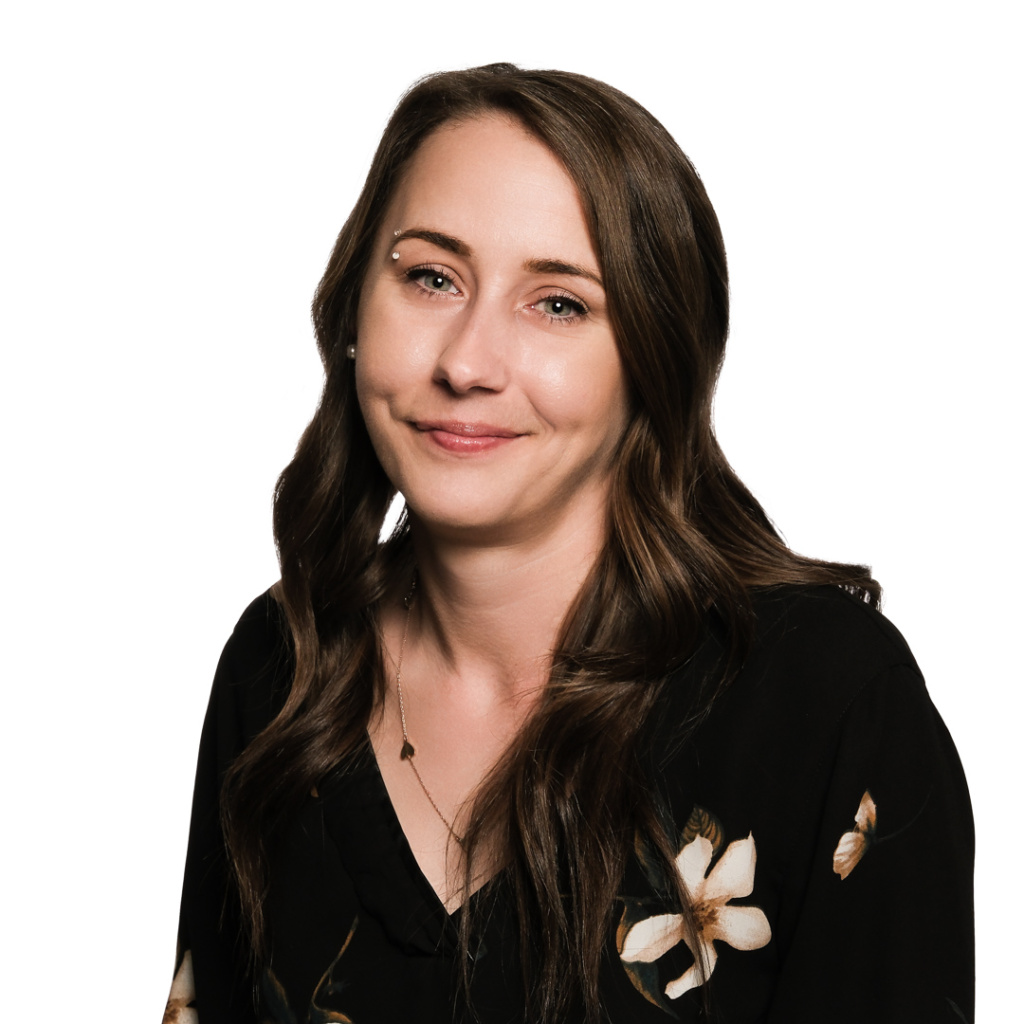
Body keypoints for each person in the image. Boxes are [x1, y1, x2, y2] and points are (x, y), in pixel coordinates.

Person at [165, 64, 974, 1024]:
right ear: (350, 313)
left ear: (655, 360)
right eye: (431, 278)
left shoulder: (824, 701)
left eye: (558, 304)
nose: (466, 362)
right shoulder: (282, 662)